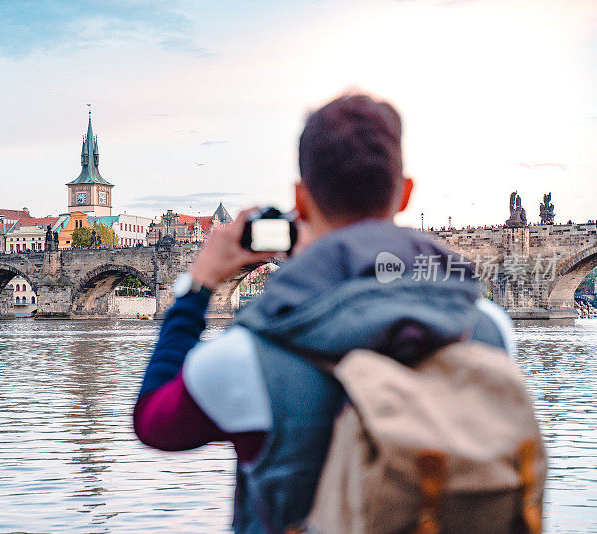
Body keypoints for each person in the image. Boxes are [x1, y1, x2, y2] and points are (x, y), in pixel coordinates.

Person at [133, 94, 514, 533]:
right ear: (406, 192)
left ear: (302, 197)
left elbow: (153, 422)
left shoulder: (246, 356)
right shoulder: (487, 329)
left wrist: (197, 286)